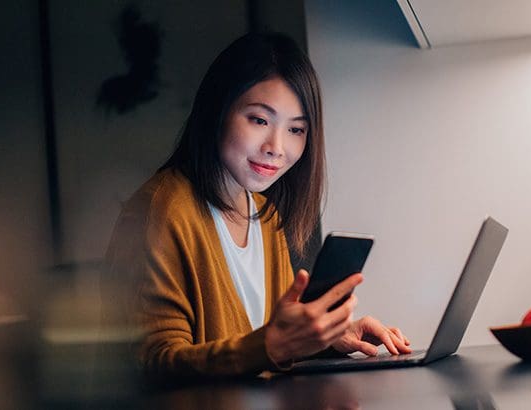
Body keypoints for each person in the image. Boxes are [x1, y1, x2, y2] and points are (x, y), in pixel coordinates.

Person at [104, 32, 411, 380]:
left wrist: (325, 339)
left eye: (296, 130)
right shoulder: (161, 210)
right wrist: (276, 346)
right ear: (216, 111)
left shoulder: (265, 217)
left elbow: (263, 344)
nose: (276, 147)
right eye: (260, 121)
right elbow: (153, 364)